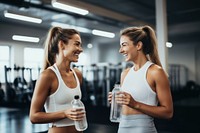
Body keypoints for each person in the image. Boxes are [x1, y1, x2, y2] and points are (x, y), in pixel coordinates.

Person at [108, 25, 173, 133]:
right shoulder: (125, 73)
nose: (120, 50)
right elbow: (125, 107)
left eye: (124, 45)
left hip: (143, 129)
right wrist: (117, 101)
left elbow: (168, 113)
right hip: (122, 127)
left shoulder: (156, 72)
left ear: (138, 45)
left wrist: (135, 104)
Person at [29, 27, 85, 133]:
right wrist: (64, 113)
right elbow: (34, 116)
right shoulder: (47, 76)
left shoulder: (77, 74)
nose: (80, 49)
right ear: (61, 44)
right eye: (77, 44)